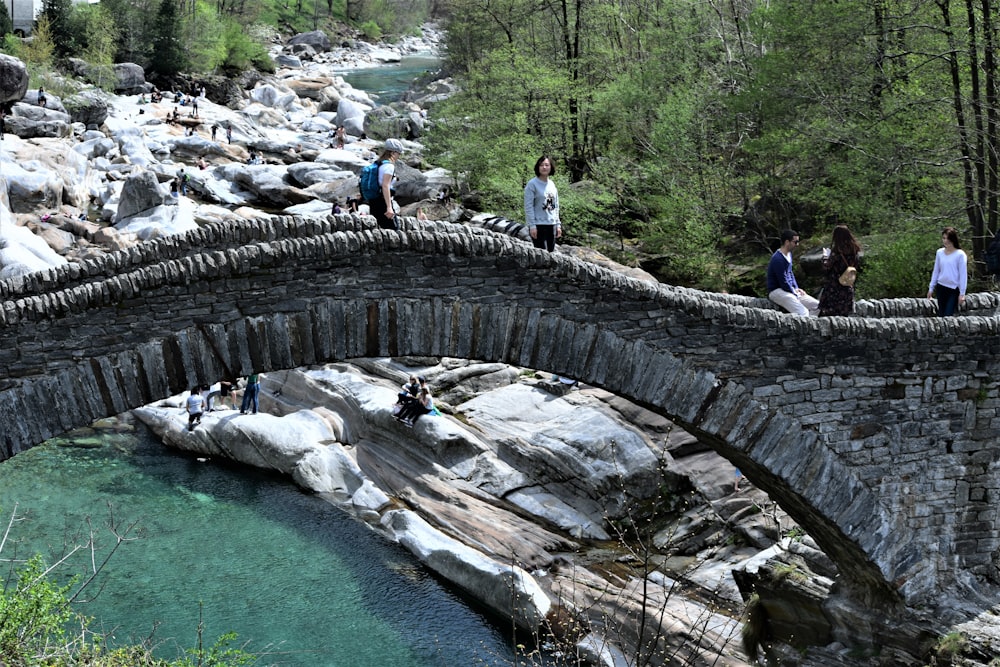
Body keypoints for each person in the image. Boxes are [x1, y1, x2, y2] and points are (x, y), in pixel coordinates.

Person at [767, 229, 819, 317]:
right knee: (803, 312)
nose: (797, 244)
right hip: (777, 291)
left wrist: (796, 288)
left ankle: (812, 326)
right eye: (795, 242)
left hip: (789, 289)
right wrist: (794, 292)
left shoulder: (789, 255)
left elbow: (790, 273)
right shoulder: (778, 259)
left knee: (818, 306)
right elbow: (783, 281)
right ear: (787, 242)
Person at [818, 225, 861, 317]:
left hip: (834, 289)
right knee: (844, 317)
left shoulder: (837, 252)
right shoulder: (855, 252)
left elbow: (826, 267)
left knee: (828, 317)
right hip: (847, 287)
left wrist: (825, 256)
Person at [524, 155, 562, 252]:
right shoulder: (532, 184)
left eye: (546, 165)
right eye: (541, 165)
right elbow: (528, 206)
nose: (544, 167)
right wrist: (532, 226)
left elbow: (556, 205)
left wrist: (558, 224)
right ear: (538, 167)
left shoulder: (552, 184)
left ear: (551, 167)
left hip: (551, 224)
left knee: (551, 253)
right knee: (542, 255)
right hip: (538, 225)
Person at [927, 226, 968, 316]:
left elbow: (963, 275)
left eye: (948, 238)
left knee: (948, 315)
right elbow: (936, 271)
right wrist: (931, 288)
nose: (946, 241)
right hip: (941, 287)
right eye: (944, 238)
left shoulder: (960, 254)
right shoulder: (939, 253)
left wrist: (962, 293)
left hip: (953, 289)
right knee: (941, 315)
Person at [368, 138, 404, 230]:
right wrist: (389, 207)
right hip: (383, 202)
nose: (398, 156)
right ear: (392, 153)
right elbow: (385, 186)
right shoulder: (389, 166)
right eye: (398, 153)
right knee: (394, 231)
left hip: (374, 201)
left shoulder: (379, 163)